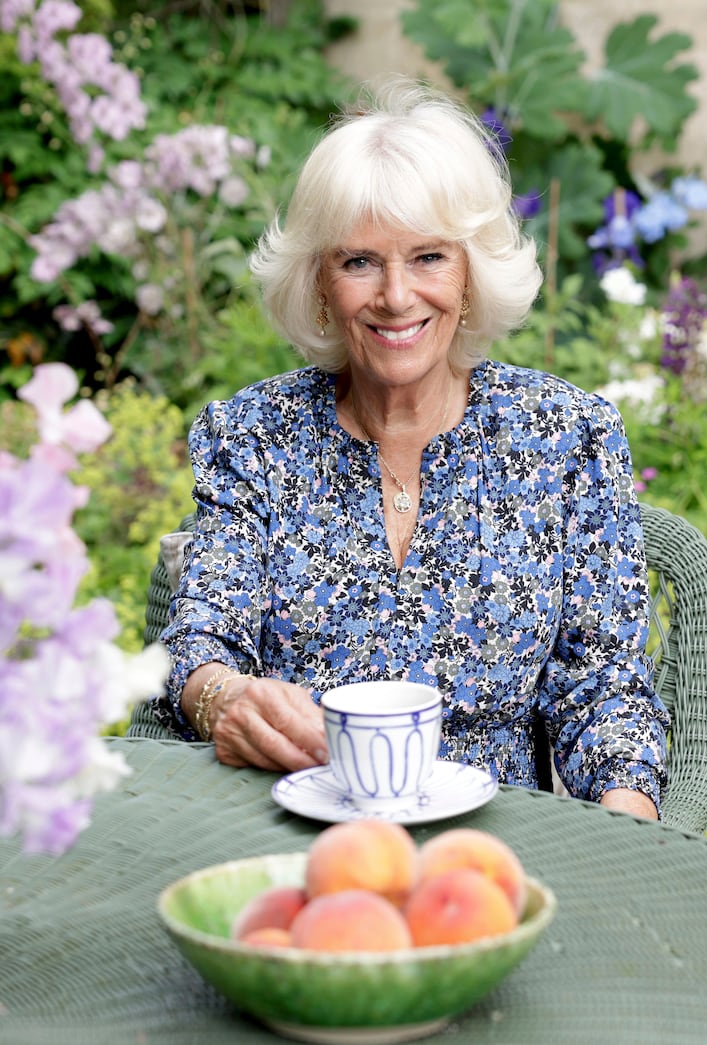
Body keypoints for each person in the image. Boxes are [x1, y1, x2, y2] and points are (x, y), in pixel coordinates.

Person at [152, 79, 669, 820]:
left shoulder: (567, 436)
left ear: (470, 275)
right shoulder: (252, 436)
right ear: (320, 284)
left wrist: (624, 832)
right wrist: (223, 698)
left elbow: (604, 684)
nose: (396, 296)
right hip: (293, 831)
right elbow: (201, 637)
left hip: (496, 848)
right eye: (359, 261)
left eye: (428, 257)